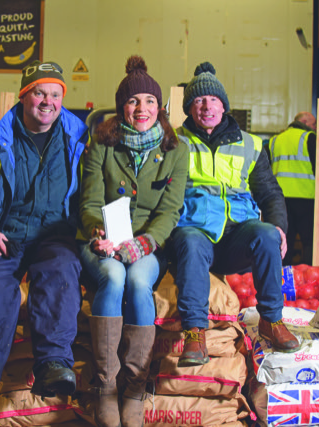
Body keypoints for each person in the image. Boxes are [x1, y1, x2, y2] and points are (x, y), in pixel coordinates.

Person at [0, 61, 89, 415]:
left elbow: (95, 191)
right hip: (3, 234)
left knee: (62, 269)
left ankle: (54, 364)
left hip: (54, 235)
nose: (48, 102)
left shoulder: (80, 139)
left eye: (55, 94)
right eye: (40, 92)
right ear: (24, 96)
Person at [78, 56, 188, 427]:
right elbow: (90, 202)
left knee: (140, 280)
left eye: (150, 102)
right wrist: (100, 233)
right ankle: (107, 388)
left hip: (147, 244)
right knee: (113, 277)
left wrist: (141, 245)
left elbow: (169, 212)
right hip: (104, 242)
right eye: (133, 101)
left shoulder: (176, 150)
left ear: (160, 108)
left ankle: (134, 389)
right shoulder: (102, 144)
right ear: (121, 106)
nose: (142, 109)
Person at [170, 62, 301, 366]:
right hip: (195, 231)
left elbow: (270, 192)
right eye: (199, 101)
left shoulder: (251, 144)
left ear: (224, 106)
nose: (206, 106)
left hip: (237, 234)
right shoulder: (174, 142)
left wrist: (279, 226)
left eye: (213, 100)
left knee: (267, 235)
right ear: (190, 108)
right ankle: (194, 334)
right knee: (189, 241)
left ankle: (272, 320)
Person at [267, 112, 317, 266]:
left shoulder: (274, 140)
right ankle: (308, 278)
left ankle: (284, 280)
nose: (315, 128)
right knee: (309, 242)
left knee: (284, 241)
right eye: (314, 124)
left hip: (280, 200)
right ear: (304, 122)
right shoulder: (309, 138)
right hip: (305, 197)